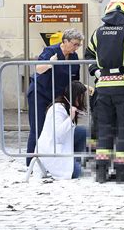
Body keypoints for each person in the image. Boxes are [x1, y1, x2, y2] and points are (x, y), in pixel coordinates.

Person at [85, 0, 124, 183]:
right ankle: (122, 171)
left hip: (103, 89)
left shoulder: (97, 33)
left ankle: (101, 171)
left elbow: (88, 56)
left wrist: (97, 71)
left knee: (104, 129)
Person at [26, 28, 84, 167]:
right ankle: (31, 164)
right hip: (40, 95)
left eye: (79, 45)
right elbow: (38, 68)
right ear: (65, 41)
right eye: (75, 44)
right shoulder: (51, 51)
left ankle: (52, 163)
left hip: (58, 98)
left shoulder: (74, 57)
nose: (76, 47)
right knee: (38, 128)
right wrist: (50, 63)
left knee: (58, 130)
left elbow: (74, 80)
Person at [35, 81, 87, 179]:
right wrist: (70, 118)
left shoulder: (66, 106)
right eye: (81, 96)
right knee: (77, 173)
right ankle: (71, 165)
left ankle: (75, 160)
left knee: (82, 131)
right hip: (52, 150)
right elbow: (58, 133)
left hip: (62, 147)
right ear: (76, 96)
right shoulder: (57, 108)